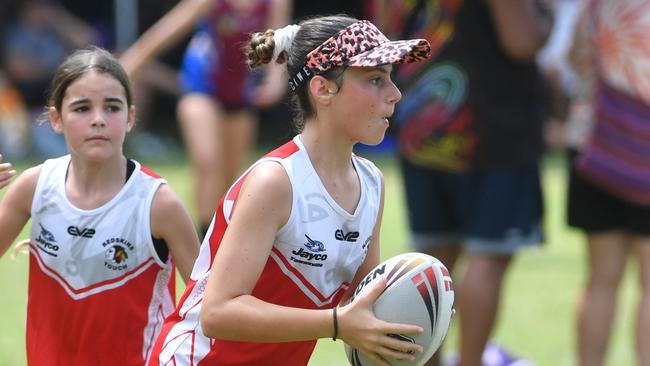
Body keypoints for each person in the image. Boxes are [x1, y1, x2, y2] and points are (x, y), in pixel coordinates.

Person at [147, 15, 433, 366]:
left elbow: (359, 308)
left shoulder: (373, 184)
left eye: (390, 78)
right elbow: (218, 313)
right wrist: (336, 323)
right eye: (375, 79)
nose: (395, 94)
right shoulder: (275, 182)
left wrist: (415, 310)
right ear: (323, 89)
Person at [0, 46, 200, 365]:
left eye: (112, 107)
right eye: (81, 108)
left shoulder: (157, 203)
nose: (98, 120)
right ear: (56, 118)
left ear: (131, 116)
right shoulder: (34, 187)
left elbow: (209, 304)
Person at [386, 1, 553, 365]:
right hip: (491, 128)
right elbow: (521, 40)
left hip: (423, 121)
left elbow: (387, 23)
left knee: (433, 258)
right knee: (488, 257)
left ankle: (430, 360)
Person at [119, 0, 291, 237]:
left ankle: (220, 242)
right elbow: (166, 31)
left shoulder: (275, 3)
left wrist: (275, 80)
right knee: (208, 160)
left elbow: (278, 41)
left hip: (240, 93)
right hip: (201, 87)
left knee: (231, 180)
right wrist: (126, 66)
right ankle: (202, 244)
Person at [564, 1, 650, 365]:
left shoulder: (600, 5)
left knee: (600, 278)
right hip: (643, 156)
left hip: (596, 150)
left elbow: (574, 59)